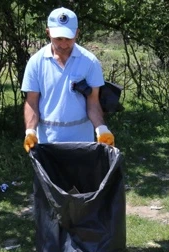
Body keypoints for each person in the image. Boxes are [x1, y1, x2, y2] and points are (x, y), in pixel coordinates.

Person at [21, 7, 114, 152]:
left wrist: (101, 129)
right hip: (48, 142)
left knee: (82, 175)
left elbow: (93, 101)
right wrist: (30, 132)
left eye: (68, 38)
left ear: (77, 33)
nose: (63, 44)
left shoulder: (89, 62)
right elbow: (32, 102)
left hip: (82, 142)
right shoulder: (36, 62)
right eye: (58, 39)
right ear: (48, 33)